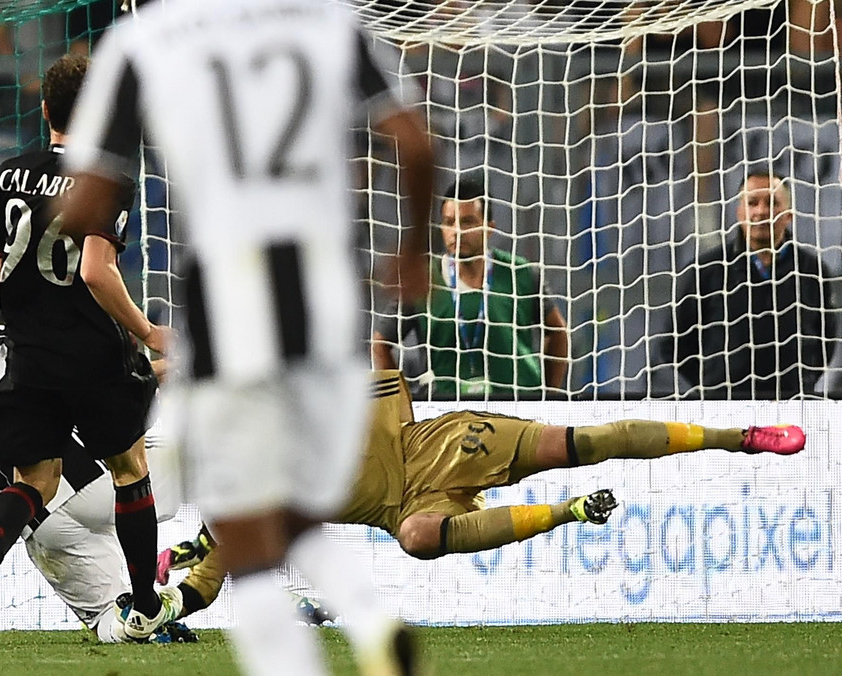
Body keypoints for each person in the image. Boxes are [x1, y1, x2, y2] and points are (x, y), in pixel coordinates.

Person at [59, 1, 436, 674]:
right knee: (288, 508)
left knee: (240, 527)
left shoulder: (145, 39)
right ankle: (370, 617)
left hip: (228, 295)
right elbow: (414, 141)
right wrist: (411, 253)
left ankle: (333, 640)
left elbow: (89, 204)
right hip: (333, 294)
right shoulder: (328, 21)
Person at [157, 369, 808, 618]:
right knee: (418, 541)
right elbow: (203, 586)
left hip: (434, 446)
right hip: (404, 508)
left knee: (575, 442)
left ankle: (738, 435)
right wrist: (159, 609)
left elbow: (385, 381)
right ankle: (570, 511)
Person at [0, 53, 174, 649]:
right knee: (131, 470)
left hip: (28, 353)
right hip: (91, 354)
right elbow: (99, 271)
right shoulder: (105, 178)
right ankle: (143, 604)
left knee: (35, 481)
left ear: (45, 109)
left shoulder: (8, 174)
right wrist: (149, 332)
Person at [0, 299, 193, 646]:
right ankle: (182, 592)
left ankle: (130, 626)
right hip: (90, 474)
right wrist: (165, 368)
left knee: (105, 619)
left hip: (40, 525)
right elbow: (74, 368)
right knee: (206, 469)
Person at [372, 176, 568, 398]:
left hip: (519, 407)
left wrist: (550, 396)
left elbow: (558, 332)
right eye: (449, 222)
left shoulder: (520, 273)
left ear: (489, 227)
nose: (457, 231)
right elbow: (380, 344)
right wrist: (399, 401)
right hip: (448, 412)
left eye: (467, 222)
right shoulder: (425, 280)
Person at [667, 170, 838, 398]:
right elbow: (675, 345)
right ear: (739, 212)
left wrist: (801, 381)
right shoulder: (705, 270)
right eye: (752, 202)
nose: (761, 211)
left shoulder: (812, 270)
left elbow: (825, 341)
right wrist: (713, 385)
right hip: (724, 408)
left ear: (789, 215)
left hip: (791, 406)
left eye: (772, 203)